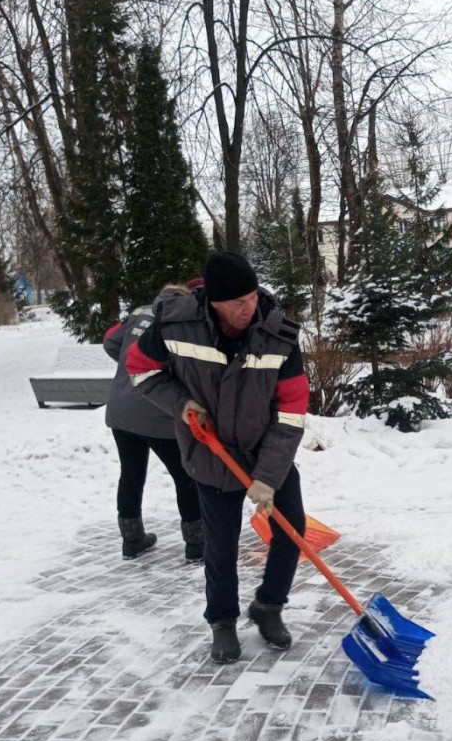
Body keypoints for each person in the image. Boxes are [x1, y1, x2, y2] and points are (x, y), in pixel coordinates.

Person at [125, 252, 309, 664]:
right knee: (221, 544)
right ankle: (222, 622)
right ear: (213, 301)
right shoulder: (176, 326)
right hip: (210, 451)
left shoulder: (278, 334)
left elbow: (292, 410)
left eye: (251, 297)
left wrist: (269, 474)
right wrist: (183, 404)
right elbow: (141, 369)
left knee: (291, 529)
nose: (249, 307)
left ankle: (269, 606)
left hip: (266, 448)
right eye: (237, 302)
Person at [103, 285, 205, 562]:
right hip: (157, 411)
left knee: (131, 473)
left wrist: (130, 365)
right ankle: (197, 544)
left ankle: (132, 539)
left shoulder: (140, 313)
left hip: (121, 410)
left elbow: (111, 341)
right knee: (185, 475)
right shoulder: (181, 322)